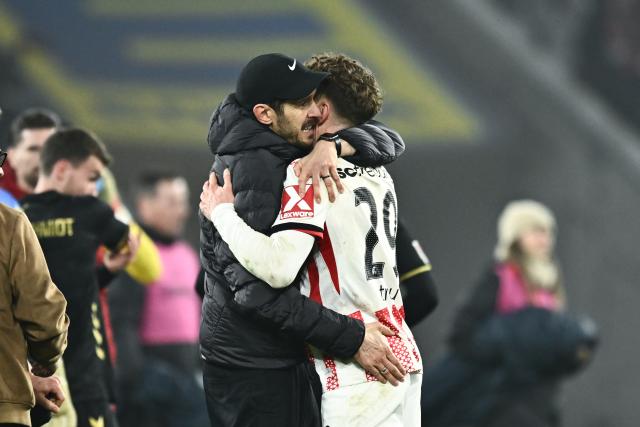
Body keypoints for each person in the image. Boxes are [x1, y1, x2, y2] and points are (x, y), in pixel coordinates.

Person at [201, 52, 423, 426]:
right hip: (388, 347)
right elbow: (257, 291)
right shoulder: (374, 169)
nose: (311, 111)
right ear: (264, 113)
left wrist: (221, 214)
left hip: (355, 361)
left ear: (324, 111)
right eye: (301, 101)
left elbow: (276, 268)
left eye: (313, 101)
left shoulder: (308, 171)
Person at [422, 200, 597, 427]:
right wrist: (510, 342)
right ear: (516, 235)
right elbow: (462, 334)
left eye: (548, 232)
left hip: (537, 401)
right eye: (536, 231)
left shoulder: (550, 282)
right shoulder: (499, 278)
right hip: (498, 401)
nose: (544, 239)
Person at [21, 128, 137, 427]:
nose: (95, 188)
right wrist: (114, 265)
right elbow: (130, 241)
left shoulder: (19, 219)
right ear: (61, 170)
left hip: (37, 372)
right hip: (86, 371)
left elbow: (62, 287)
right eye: (92, 177)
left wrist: (104, 272)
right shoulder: (89, 210)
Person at [109, 171, 207, 427]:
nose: (183, 212)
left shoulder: (187, 254)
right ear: (145, 205)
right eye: (172, 202)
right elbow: (122, 320)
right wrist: (135, 379)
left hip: (187, 372)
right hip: (149, 380)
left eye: (183, 202)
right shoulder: (133, 255)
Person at [0, 147, 70, 427]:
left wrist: (25, 378)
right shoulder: (8, 225)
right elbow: (45, 319)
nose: (3, 171)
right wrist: (42, 363)